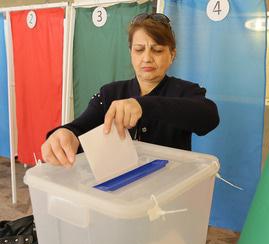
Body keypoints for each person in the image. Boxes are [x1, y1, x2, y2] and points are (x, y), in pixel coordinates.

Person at [41, 13, 219, 168]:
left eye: (157, 50)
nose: (147, 58)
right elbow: (82, 125)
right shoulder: (110, 93)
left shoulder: (185, 91)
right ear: (130, 52)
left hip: (168, 195)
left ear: (172, 54)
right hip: (121, 195)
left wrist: (143, 105)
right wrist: (67, 133)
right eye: (139, 50)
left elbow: (209, 117)